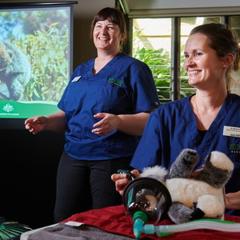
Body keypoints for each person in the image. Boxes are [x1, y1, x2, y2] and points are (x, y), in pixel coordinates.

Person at [24, 7, 160, 222]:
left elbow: (150, 121)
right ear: (92, 32)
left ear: (122, 34)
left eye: (111, 26)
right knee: (63, 218)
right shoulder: (81, 71)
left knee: (105, 220)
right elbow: (67, 114)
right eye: (98, 26)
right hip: (73, 156)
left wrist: (118, 121)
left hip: (111, 158)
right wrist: (46, 121)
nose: (103, 31)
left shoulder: (134, 69)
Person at [112, 23, 240, 215]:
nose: (188, 63)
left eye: (198, 54)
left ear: (226, 60)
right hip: (174, 223)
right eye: (186, 56)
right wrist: (135, 184)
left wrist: (224, 200)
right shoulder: (165, 117)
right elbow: (147, 178)